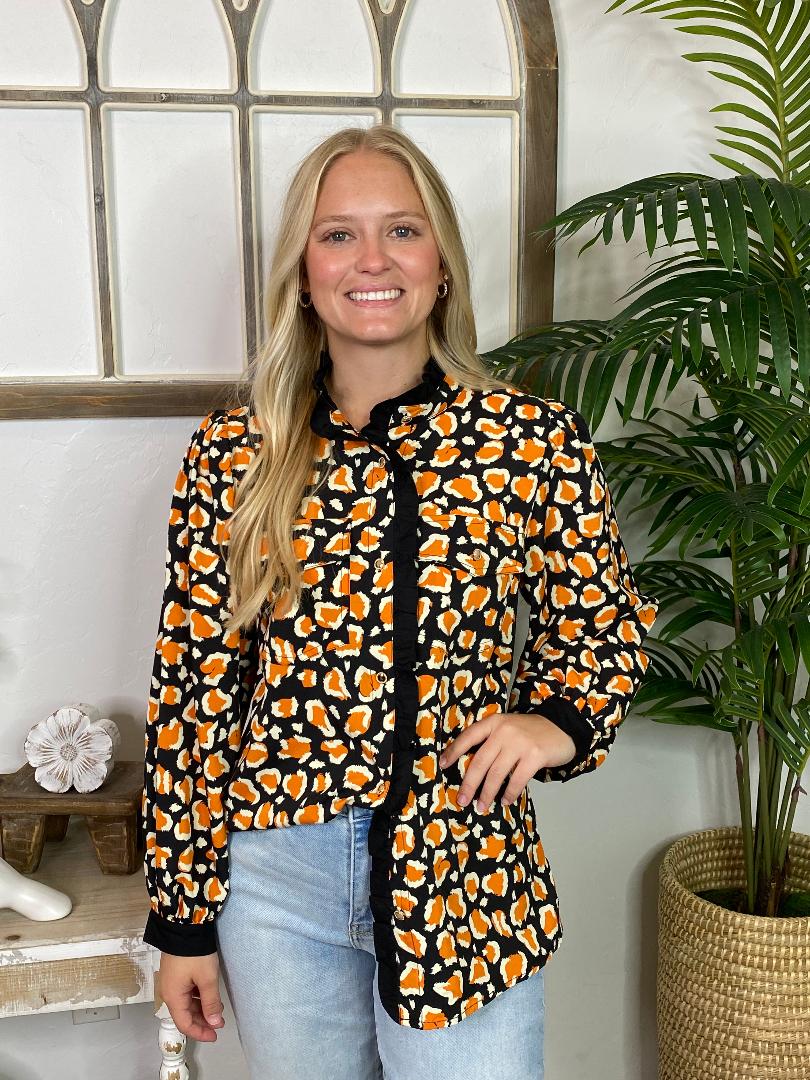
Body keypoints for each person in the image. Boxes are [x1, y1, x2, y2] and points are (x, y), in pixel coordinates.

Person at [141, 123, 659, 1080]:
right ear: (302, 272)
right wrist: (182, 921)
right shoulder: (232, 451)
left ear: (443, 265)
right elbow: (194, 691)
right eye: (337, 235)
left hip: (464, 871)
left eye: (402, 231)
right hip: (273, 884)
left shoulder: (528, 439)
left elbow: (605, 618)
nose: (371, 260)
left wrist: (556, 721)